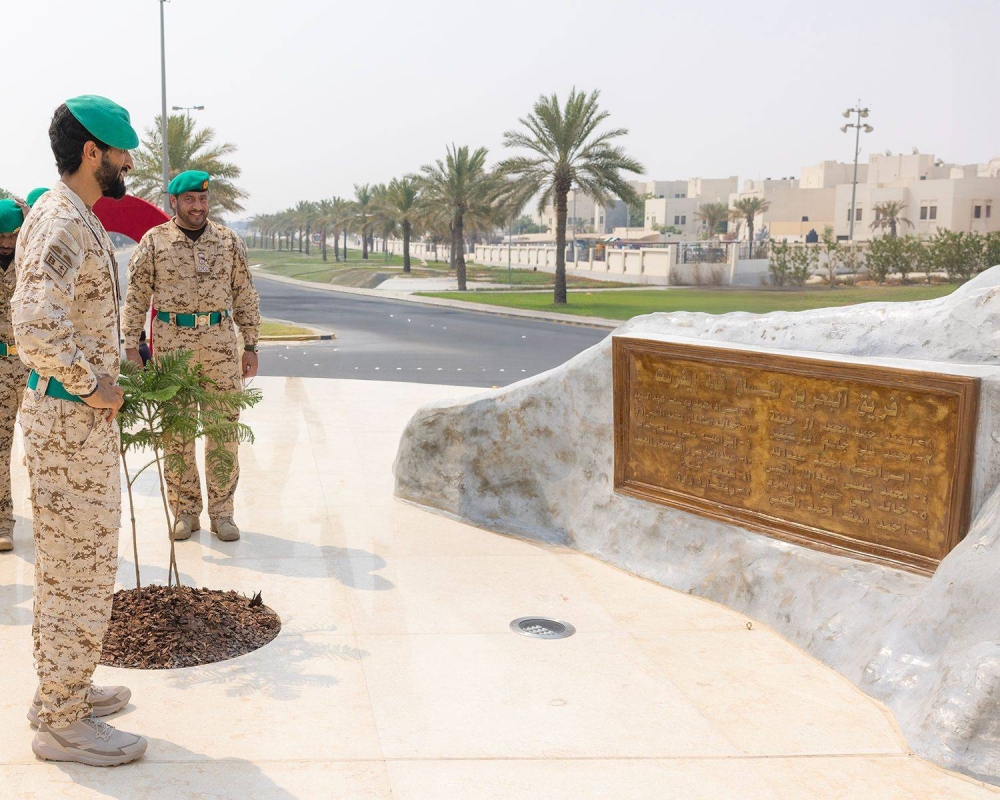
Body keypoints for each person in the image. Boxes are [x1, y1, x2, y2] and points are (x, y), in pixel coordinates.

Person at [13, 95, 147, 766]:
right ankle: (62, 723)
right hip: (70, 420)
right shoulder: (64, 221)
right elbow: (35, 325)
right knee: (75, 571)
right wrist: (93, 384)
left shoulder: (73, 215)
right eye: (122, 151)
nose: (128, 163)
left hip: (74, 424)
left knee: (80, 568)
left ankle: (67, 688)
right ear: (93, 152)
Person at [123, 169, 260, 542]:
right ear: (174, 202)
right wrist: (132, 345)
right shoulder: (154, 242)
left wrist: (250, 344)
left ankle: (223, 512)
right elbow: (135, 296)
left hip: (219, 346)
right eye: (190, 200)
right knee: (177, 434)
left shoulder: (228, 242)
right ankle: (185, 511)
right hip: (172, 350)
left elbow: (244, 293)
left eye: (202, 199)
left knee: (223, 430)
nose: (198, 206)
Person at [0, 198, 31, 553]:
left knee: (40, 445)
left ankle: (50, 516)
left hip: (30, 365)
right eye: (1, 236)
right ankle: (3, 521)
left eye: (14, 235)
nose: (7, 243)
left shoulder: (29, 257)